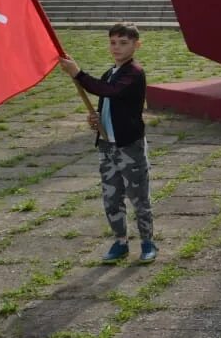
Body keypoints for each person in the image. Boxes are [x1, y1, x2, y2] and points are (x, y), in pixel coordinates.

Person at [59, 22, 156, 264]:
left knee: (138, 196)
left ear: (137, 45)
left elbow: (109, 92)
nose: (117, 48)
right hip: (107, 146)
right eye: (113, 42)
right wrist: (96, 120)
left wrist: (77, 73)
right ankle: (120, 242)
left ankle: (147, 242)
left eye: (124, 43)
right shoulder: (110, 72)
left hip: (129, 146)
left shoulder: (134, 72)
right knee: (111, 197)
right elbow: (107, 101)